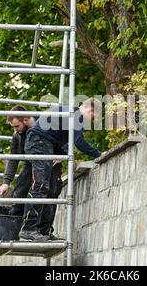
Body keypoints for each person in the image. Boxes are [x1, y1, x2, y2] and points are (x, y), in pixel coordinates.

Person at [19, 98, 102, 241]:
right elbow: (78, 142)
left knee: (52, 189)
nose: (91, 122)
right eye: (93, 118)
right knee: (40, 186)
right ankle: (29, 229)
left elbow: (58, 134)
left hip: (49, 144)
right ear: (90, 110)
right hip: (39, 142)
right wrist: (99, 155)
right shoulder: (75, 114)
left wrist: (63, 155)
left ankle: (44, 231)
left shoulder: (70, 113)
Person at [0, 105, 64, 240]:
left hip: (51, 163)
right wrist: (6, 182)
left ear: (25, 120)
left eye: (17, 126)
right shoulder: (17, 135)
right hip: (30, 164)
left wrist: (63, 154)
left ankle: (45, 232)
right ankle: (15, 229)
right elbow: (13, 158)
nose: (16, 130)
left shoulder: (44, 124)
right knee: (20, 191)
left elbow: (64, 136)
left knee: (51, 195)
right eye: (13, 127)